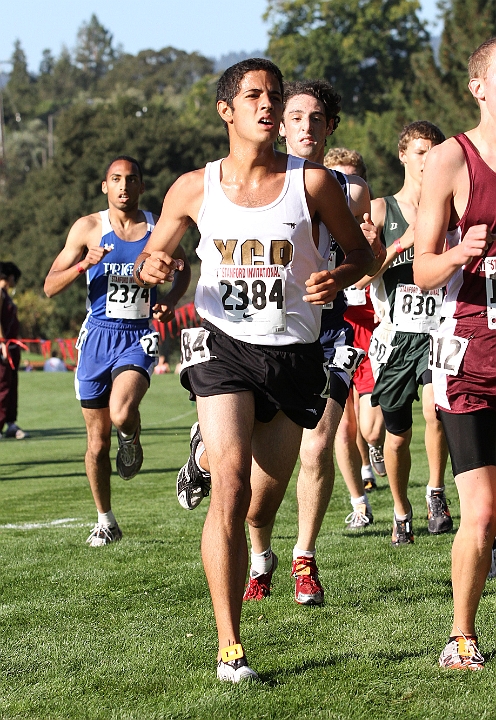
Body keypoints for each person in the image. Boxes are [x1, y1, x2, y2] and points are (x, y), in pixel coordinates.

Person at [132, 59, 379, 682]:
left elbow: (361, 256)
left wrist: (338, 277)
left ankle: (219, 473)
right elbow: (157, 260)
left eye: (274, 96)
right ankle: (230, 645)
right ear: (227, 111)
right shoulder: (194, 187)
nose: (267, 106)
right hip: (221, 345)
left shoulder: (314, 183)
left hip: (293, 353)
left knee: (259, 507)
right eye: (254, 96)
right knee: (232, 486)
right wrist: (155, 271)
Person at [176, 80, 385, 611]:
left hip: (323, 329)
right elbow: (180, 254)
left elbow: (364, 258)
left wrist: (349, 271)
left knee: (314, 449)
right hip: (238, 336)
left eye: (317, 118)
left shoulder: (346, 188)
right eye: (296, 116)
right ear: (280, 124)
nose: (305, 127)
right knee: (237, 483)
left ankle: (305, 557)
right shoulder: (240, 180)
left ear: (330, 126)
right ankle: (254, 555)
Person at [44, 156, 190, 547]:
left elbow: (183, 267)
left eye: (131, 179)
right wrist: (82, 266)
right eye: (116, 179)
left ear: (141, 186)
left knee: (121, 411)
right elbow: (49, 285)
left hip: (137, 335)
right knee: (96, 443)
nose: (124, 186)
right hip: (96, 338)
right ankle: (105, 520)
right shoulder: (89, 228)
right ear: (105, 186)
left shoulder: (158, 227)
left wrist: (172, 299)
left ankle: (132, 433)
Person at [413, 37, 496, 671]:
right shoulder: (451, 158)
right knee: (484, 510)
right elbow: (422, 271)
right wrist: (460, 254)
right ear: (478, 86)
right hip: (471, 358)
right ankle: (461, 634)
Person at [367, 121, 451, 546]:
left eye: (434, 150)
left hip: (441, 329)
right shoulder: (383, 210)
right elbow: (363, 275)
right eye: (420, 151)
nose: (428, 158)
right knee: (396, 436)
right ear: (403, 155)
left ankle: (436, 491)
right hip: (398, 334)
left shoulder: (451, 205)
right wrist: (401, 245)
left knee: (437, 409)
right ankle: (401, 510)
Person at [324, 147, 386, 490]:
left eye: (349, 180)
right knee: (341, 427)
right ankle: (358, 502)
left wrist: (375, 251)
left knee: (369, 427)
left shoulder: (374, 222)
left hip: (370, 332)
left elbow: (377, 270)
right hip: (333, 330)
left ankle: (372, 451)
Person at [0, 261, 28, 440]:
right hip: (3, 346)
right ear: (10, 277)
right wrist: (2, 343)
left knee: (10, 386)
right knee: (2, 385)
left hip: (12, 346)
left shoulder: (5, 294)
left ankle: (10, 423)